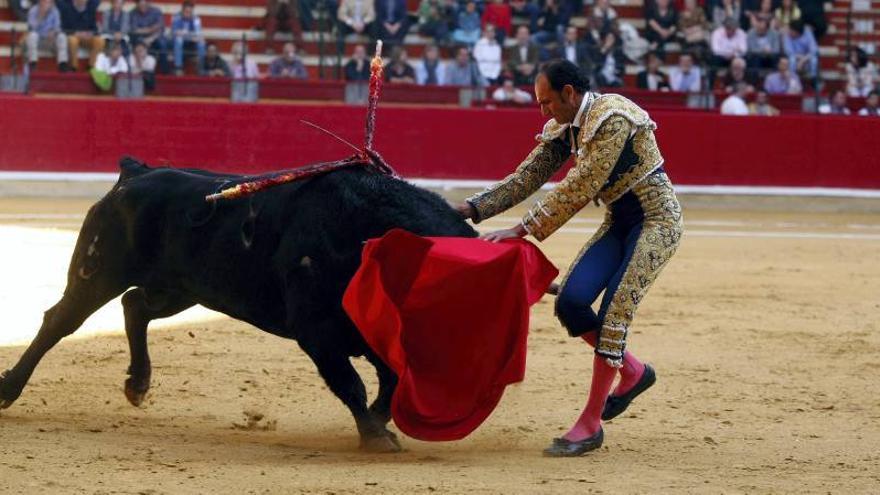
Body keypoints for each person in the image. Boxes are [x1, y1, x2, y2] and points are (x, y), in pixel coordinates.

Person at [452, 59, 682, 456]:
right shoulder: (567, 125)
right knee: (572, 303)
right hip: (619, 222)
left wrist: (521, 228)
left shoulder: (614, 116)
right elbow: (528, 176)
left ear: (569, 94)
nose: (543, 111)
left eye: (546, 102)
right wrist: (473, 209)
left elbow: (583, 183)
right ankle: (632, 371)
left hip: (656, 222)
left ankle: (590, 424)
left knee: (613, 317)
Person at [23, 0, 71, 72]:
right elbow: (32, 27)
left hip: (51, 40)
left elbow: (58, 27)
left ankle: (62, 64)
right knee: (32, 36)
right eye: (45, 1)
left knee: (62, 37)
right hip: (39, 40)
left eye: (49, 2)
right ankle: (33, 63)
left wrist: (54, 32)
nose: (47, 3)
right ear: (40, 2)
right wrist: (41, 15)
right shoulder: (33, 10)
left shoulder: (55, 11)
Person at [58, 0, 104, 71]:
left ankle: (91, 66)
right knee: (72, 40)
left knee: (100, 41)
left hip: (87, 37)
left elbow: (94, 28)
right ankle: (74, 67)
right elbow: (64, 28)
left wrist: (91, 33)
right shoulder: (68, 8)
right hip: (75, 35)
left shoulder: (90, 8)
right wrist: (76, 33)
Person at [130, 0, 168, 73]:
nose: (142, 7)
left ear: (148, 3)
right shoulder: (133, 13)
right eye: (140, 5)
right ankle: (141, 70)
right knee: (136, 41)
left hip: (155, 37)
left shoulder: (156, 11)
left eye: (144, 5)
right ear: (137, 4)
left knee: (163, 43)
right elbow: (134, 30)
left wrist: (151, 38)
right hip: (139, 38)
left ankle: (164, 72)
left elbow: (160, 28)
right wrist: (150, 29)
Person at [170, 1, 205, 76]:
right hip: (178, 42)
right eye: (186, 12)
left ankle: (201, 67)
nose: (188, 14)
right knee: (178, 40)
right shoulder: (176, 17)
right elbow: (174, 32)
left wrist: (186, 34)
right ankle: (178, 67)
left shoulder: (196, 18)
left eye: (190, 12)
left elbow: (198, 33)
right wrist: (189, 36)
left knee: (201, 43)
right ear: (182, 10)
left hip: (191, 42)